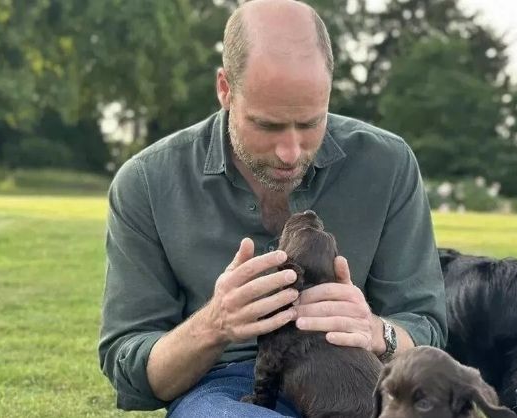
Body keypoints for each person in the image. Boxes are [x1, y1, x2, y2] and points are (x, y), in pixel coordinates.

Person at [98, 0, 446, 416]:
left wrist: (376, 331)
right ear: (225, 89)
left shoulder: (387, 163)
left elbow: (426, 326)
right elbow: (131, 368)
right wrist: (214, 324)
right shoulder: (146, 183)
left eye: (310, 123)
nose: (290, 152)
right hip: (229, 389)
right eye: (267, 125)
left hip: (358, 385)